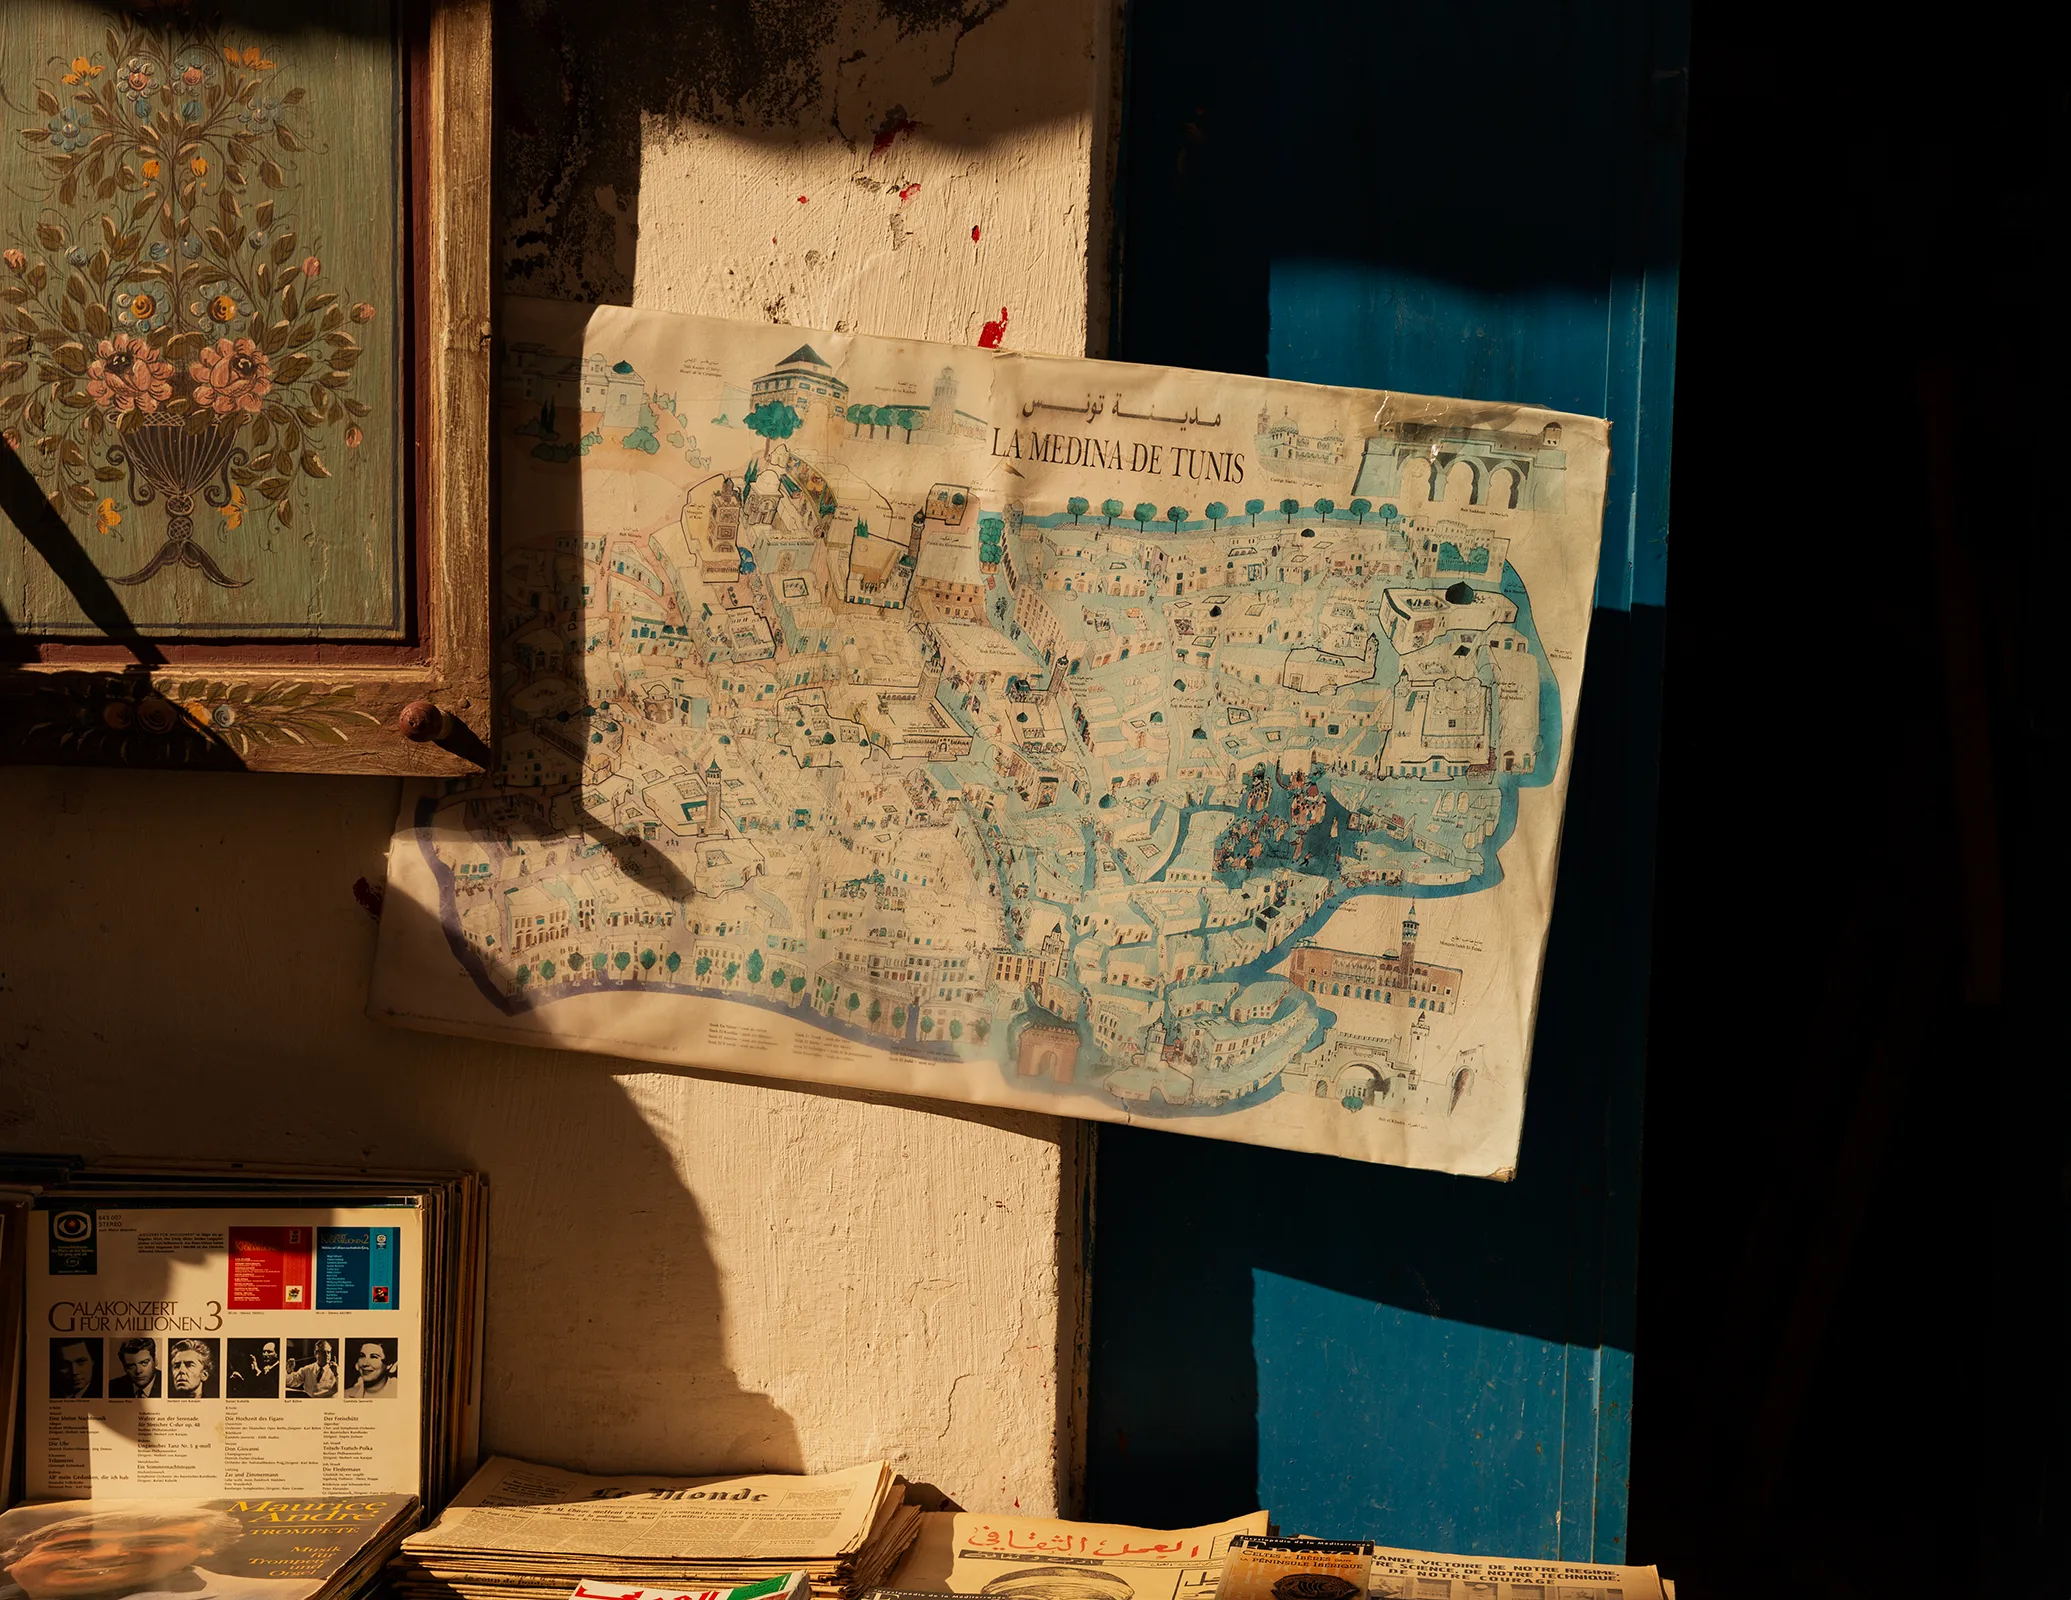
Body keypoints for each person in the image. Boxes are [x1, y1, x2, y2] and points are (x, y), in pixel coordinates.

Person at [0, 1507, 311, 1600]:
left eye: (152, 1540)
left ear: (205, 1547)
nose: (107, 1554)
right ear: (15, 1559)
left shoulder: (292, 1594)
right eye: (74, 1545)